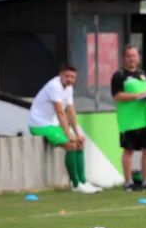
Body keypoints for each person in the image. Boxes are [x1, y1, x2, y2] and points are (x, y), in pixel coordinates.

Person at [29, 63, 101, 194]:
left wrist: (77, 133)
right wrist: (69, 136)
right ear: (60, 75)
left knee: (79, 142)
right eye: (67, 76)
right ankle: (75, 184)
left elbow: (71, 110)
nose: (70, 79)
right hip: (40, 124)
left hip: (53, 124)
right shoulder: (54, 86)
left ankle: (83, 181)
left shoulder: (68, 88)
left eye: (72, 77)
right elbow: (60, 112)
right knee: (70, 144)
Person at [111, 45, 146, 192]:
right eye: (129, 56)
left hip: (144, 118)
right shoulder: (119, 75)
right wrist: (138, 96)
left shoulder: (142, 74)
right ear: (124, 58)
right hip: (129, 120)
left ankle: (145, 181)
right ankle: (129, 182)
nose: (132, 58)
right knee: (128, 150)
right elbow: (117, 96)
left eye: (134, 55)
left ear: (139, 57)